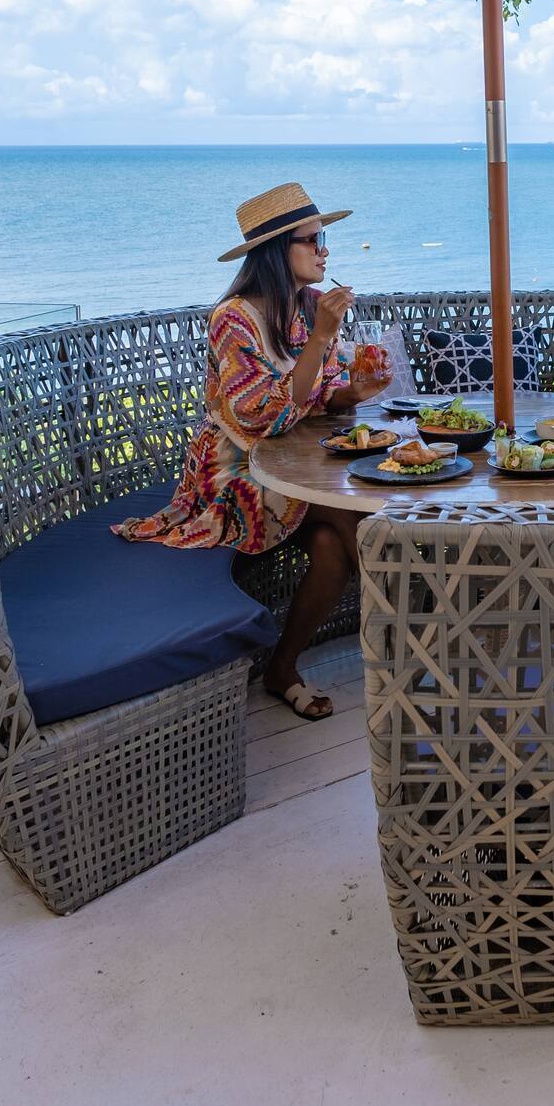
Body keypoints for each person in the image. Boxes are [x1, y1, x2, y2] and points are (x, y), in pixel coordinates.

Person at [114, 182, 390, 720]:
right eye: (311, 241)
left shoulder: (311, 308)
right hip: (235, 466)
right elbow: (264, 418)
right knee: (353, 512)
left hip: (295, 462)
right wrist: (319, 339)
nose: (324, 251)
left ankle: (282, 669)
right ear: (274, 252)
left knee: (335, 549)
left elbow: (320, 395)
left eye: (324, 238)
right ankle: (424, 642)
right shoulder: (234, 320)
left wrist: (351, 393)